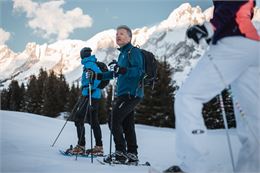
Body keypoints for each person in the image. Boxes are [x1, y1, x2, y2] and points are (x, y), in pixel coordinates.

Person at [164, 0, 259, 173]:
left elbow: (234, 4)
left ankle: (194, 167)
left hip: (234, 44)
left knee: (188, 98)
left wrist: (211, 27)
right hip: (253, 45)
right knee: (253, 117)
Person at [88, 25, 144, 164]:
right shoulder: (122, 54)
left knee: (113, 120)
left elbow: (139, 72)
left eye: (122, 34)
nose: (118, 36)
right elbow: (115, 73)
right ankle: (132, 154)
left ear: (130, 37)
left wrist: (123, 69)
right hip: (124, 94)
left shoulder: (133, 51)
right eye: (117, 34)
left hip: (132, 93)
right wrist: (97, 75)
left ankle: (120, 153)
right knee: (127, 125)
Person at [68, 47, 104, 156]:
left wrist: (91, 89)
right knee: (93, 120)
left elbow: (99, 77)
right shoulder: (91, 63)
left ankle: (81, 146)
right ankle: (98, 147)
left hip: (90, 96)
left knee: (78, 119)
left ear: (82, 55)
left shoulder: (90, 64)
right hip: (91, 95)